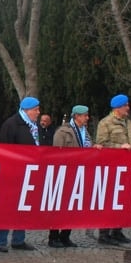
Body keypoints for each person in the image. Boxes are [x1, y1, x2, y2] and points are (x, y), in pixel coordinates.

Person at [95, 94, 131, 245]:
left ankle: (117, 230)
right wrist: (119, 147)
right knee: (109, 201)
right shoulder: (105, 123)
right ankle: (104, 233)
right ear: (118, 107)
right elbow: (101, 145)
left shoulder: (127, 122)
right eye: (126, 105)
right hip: (112, 168)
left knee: (123, 200)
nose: (128, 108)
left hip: (127, 168)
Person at [0, 96, 43, 252]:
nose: (38, 112)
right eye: (36, 110)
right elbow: (4, 149)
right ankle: (1, 241)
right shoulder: (11, 124)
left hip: (28, 172)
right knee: (8, 207)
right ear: (27, 110)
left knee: (23, 206)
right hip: (12, 173)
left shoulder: (33, 125)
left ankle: (19, 239)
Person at [49, 104, 101, 248]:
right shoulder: (63, 132)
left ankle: (66, 235)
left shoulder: (84, 132)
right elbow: (57, 153)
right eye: (85, 115)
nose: (87, 118)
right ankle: (53, 237)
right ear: (77, 116)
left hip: (79, 174)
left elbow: (88, 148)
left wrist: (94, 147)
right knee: (59, 207)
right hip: (65, 174)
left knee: (72, 207)